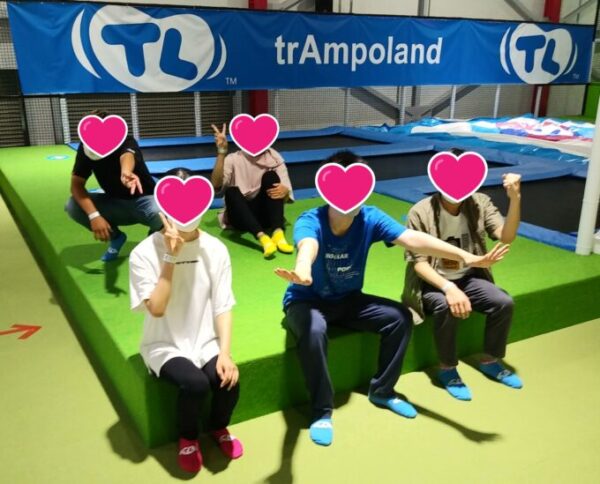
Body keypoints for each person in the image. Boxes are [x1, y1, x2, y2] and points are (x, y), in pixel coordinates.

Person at [275, 151, 509, 447]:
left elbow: (412, 239)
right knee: (313, 330)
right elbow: (308, 246)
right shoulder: (312, 220)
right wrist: (303, 269)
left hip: (348, 299)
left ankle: (382, 391)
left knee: (398, 318)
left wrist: (467, 256)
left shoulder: (370, 217)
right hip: (306, 301)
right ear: (327, 189)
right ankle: (322, 410)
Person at [128, 168, 243, 474]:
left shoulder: (216, 249)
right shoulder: (143, 253)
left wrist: (225, 352)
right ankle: (188, 438)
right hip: (163, 342)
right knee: (195, 384)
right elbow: (157, 309)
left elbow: (223, 304)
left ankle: (218, 427)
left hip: (205, 340)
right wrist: (170, 256)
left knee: (228, 381)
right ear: (162, 209)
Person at [402, 151, 523, 401]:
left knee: (503, 302)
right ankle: (447, 368)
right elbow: (420, 265)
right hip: (432, 282)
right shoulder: (420, 212)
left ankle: (490, 360)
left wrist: (515, 199)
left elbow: (506, 236)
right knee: (447, 307)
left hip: (469, 276)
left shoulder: (479, 203)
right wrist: (449, 288)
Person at [65, 110, 162, 262]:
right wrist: (94, 216)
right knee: (72, 206)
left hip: (144, 202)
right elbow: (76, 184)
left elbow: (127, 155)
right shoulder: (86, 148)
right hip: (114, 203)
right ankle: (116, 238)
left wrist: (126, 172)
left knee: (165, 211)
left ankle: (154, 238)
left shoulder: (126, 140)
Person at [210, 123, 294, 258]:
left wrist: (285, 191)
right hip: (241, 217)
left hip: (265, 215)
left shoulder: (275, 158)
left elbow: (285, 192)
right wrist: (221, 152)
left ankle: (278, 233)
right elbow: (216, 184)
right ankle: (262, 238)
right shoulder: (233, 159)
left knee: (271, 177)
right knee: (231, 191)